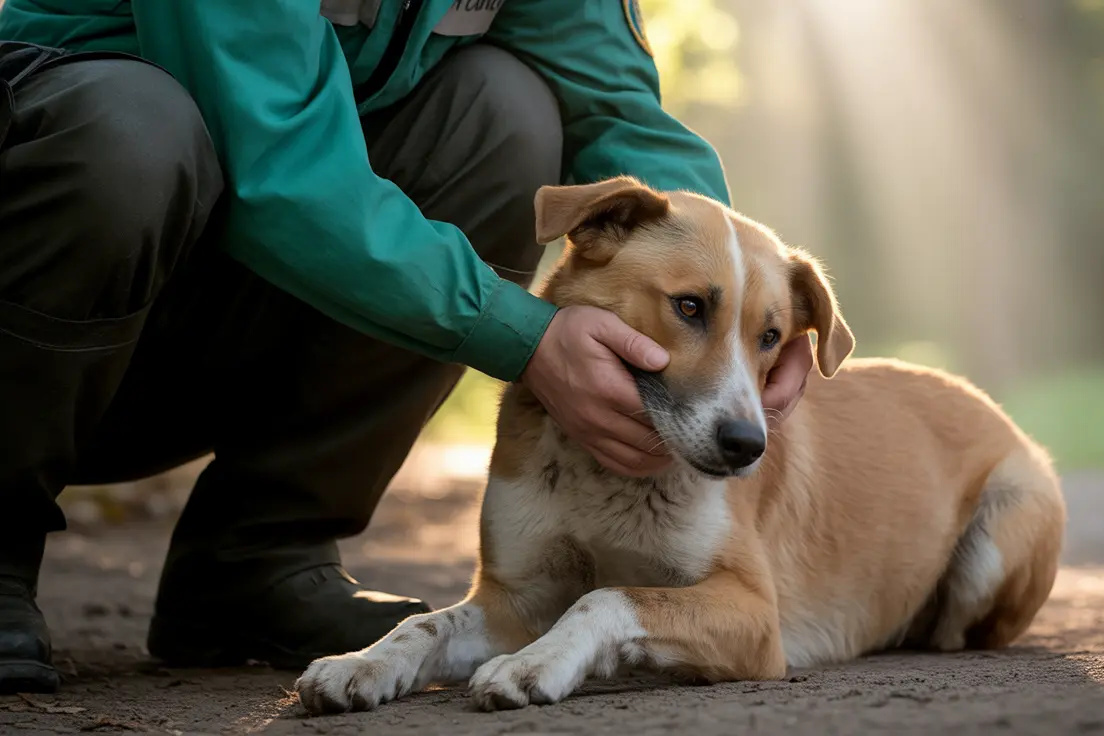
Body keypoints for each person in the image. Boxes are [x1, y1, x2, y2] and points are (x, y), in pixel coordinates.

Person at [0, 0, 814, 694]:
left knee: (502, 111)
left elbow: (618, 114)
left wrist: (754, 301)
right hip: (54, 284)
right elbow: (279, 161)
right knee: (132, 125)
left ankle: (255, 558)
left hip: (220, 293)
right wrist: (527, 339)